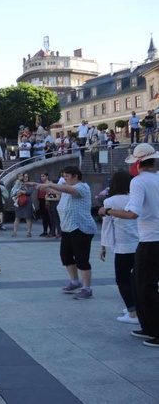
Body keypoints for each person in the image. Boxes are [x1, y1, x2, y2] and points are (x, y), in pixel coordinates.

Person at [107, 144, 159, 346]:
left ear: (137, 163)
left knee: (145, 286)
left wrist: (109, 211)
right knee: (137, 281)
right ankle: (148, 327)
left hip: (150, 240)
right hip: (150, 239)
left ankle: (155, 330)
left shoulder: (139, 181)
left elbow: (132, 213)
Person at [32, 165, 97, 299]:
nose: (64, 179)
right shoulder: (69, 189)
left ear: (75, 176)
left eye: (67, 176)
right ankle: (75, 282)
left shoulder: (82, 187)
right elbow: (60, 192)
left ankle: (87, 287)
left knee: (81, 258)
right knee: (66, 256)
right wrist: (41, 186)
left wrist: (50, 184)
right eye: (63, 176)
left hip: (81, 227)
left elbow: (67, 189)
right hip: (68, 227)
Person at [97, 171, 140, 324]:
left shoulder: (110, 201)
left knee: (122, 279)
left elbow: (107, 227)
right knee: (137, 279)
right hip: (140, 243)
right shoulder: (135, 199)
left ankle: (133, 311)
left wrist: (103, 246)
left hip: (123, 245)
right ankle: (136, 307)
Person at [11, 173, 34, 238]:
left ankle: (29, 232)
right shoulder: (19, 183)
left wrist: (21, 191)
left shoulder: (31, 185)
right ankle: (14, 232)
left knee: (28, 217)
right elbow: (15, 192)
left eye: (27, 177)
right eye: (24, 176)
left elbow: (29, 192)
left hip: (28, 202)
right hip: (19, 202)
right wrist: (20, 191)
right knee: (17, 217)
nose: (25, 178)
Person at [37, 173, 52, 238]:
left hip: (47, 200)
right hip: (41, 200)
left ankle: (52, 230)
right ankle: (45, 230)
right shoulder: (41, 184)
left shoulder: (49, 183)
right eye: (41, 176)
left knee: (49, 217)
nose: (42, 177)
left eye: (43, 176)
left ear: (47, 176)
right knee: (44, 217)